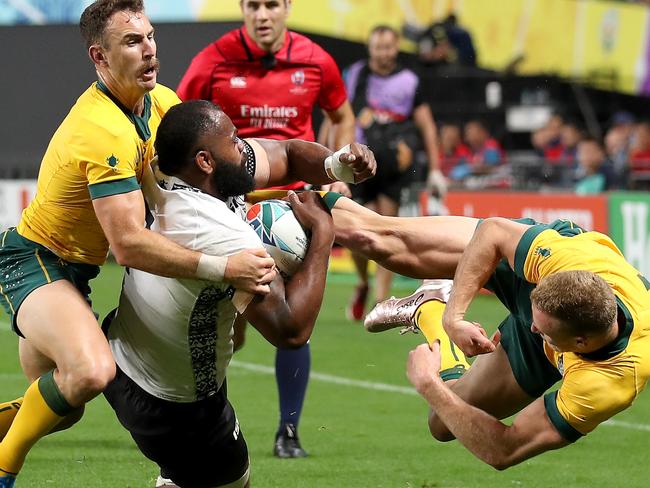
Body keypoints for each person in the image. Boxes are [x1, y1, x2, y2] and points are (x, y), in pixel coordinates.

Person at [0, 0, 361, 483]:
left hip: (76, 273)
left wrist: (336, 165)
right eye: (132, 42)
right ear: (99, 57)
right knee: (90, 373)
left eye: (150, 37)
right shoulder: (99, 131)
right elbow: (127, 245)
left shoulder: (162, 104)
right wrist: (223, 268)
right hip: (35, 260)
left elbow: (260, 158)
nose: (149, 50)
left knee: (65, 407)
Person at [103, 100, 347, 488]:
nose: (242, 146)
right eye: (234, 140)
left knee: (185, 476)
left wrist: (337, 165)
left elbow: (285, 153)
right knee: (235, 481)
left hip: (122, 356)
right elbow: (291, 330)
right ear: (204, 162)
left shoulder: (160, 171)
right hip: (175, 403)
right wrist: (323, 236)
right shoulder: (218, 232)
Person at [327, 199, 650, 469]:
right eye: (535, 322)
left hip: (552, 345)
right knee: (374, 239)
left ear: (580, 343)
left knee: (442, 423)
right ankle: (285, 185)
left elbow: (503, 450)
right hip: (536, 278)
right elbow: (493, 231)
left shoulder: (607, 383)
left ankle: (431, 309)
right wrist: (457, 317)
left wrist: (429, 385)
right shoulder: (567, 259)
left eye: (542, 330)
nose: (534, 329)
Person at [176, 0, 356, 458]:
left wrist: (339, 168)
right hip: (232, 206)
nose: (262, 14)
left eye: (271, 4)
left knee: (298, 318)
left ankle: (288, 431)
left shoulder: (316, 60)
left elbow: (341, 114)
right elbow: (180, 122)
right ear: (242, 9)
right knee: (228, 329)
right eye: (253, 5)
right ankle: (212, 422)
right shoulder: (212, 61)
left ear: (287, 8)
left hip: (295, 206)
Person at [340, 25, 443, 322]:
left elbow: (427, 126)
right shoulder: (355, 75)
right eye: (378, 47)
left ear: (396, 47)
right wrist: (326, 154)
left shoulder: (410, 81)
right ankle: (362, 282)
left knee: (384, 229)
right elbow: (339, 114)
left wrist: (436, 169)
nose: (383, 53)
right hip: (359, 162)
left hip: (395, 164)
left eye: (388, 47)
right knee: (355, 233)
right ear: (369, 48)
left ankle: (381, 301)